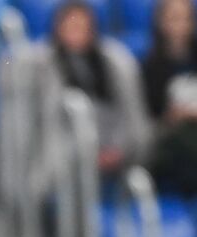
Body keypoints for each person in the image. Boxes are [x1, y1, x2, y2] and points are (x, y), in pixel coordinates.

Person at [33, 0, 150, 186]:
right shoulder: (41, 66)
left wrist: (118, 149)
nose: (76, 33)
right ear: (57, 28)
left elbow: (130, 115)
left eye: (81, 26)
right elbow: (47, 124)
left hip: (114, 149)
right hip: (66, 158)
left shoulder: (114, 62)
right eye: (70, 26)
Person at [142, 0, 197, 196]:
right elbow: (148, 119)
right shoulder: (150, 67)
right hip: (169, 142)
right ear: (160, 22)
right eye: (173, 18)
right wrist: (174, 116)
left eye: (185, 18)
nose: (179, 25)